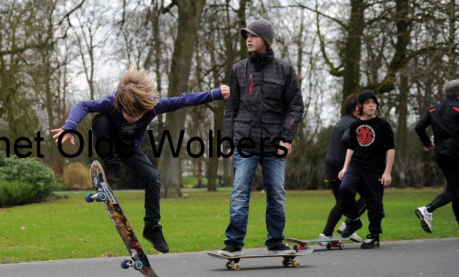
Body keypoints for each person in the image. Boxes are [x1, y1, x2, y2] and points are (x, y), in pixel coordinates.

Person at [51, 65, 230, 254]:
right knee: (100, 120)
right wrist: (70, 126)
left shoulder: (152, 106)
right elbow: (83, 105)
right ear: (120, 106)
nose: (135, 119)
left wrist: (214, 94)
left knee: (153, 177)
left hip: (129, 148)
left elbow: (182, 100)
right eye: (130, 115)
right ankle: (111, 164)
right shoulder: (112, 102)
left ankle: (152, 228)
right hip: (108, 142)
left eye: (139, 115)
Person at [218, 19, 304, 257]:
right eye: (246, 35)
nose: (248, 39)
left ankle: (276, 241)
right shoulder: (238, 69)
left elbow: (295, 107)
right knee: (239, 192)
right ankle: (233, 242)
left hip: (275, 144)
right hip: (244, 142)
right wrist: (229, 141)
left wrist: (287, 139)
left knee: (276, 193)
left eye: (253, 36)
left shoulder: (285, 70)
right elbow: (231, 109)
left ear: (266, 40)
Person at [338, 90, 395, 249]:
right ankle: (353, 220)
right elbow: (351, 147)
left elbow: (390, 149)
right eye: (367, 103)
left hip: (375, 169)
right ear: (360, 107)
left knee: (374, 202)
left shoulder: (383, 125)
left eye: (374, 102)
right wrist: (345, 167)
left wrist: (387, 171)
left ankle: (374, 235)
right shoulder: (355, 125)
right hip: (356, 166)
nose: (371, 105)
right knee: (345, 188)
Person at [413, 79, 459, 232]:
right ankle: (427, 209)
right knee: (453, 191)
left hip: (440, 153)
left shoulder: (434, 109)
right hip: (455, 152)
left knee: (454, 189)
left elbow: (419, 127)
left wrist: (427, 144)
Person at [320, 94, 364, 242]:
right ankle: (349, 224)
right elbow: (346, 139)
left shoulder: (340, 122)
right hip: (343, 168)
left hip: (331, 166)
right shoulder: (354, 124)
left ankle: (327, 234)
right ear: (356, 110)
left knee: (342, 202)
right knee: (370, 195)